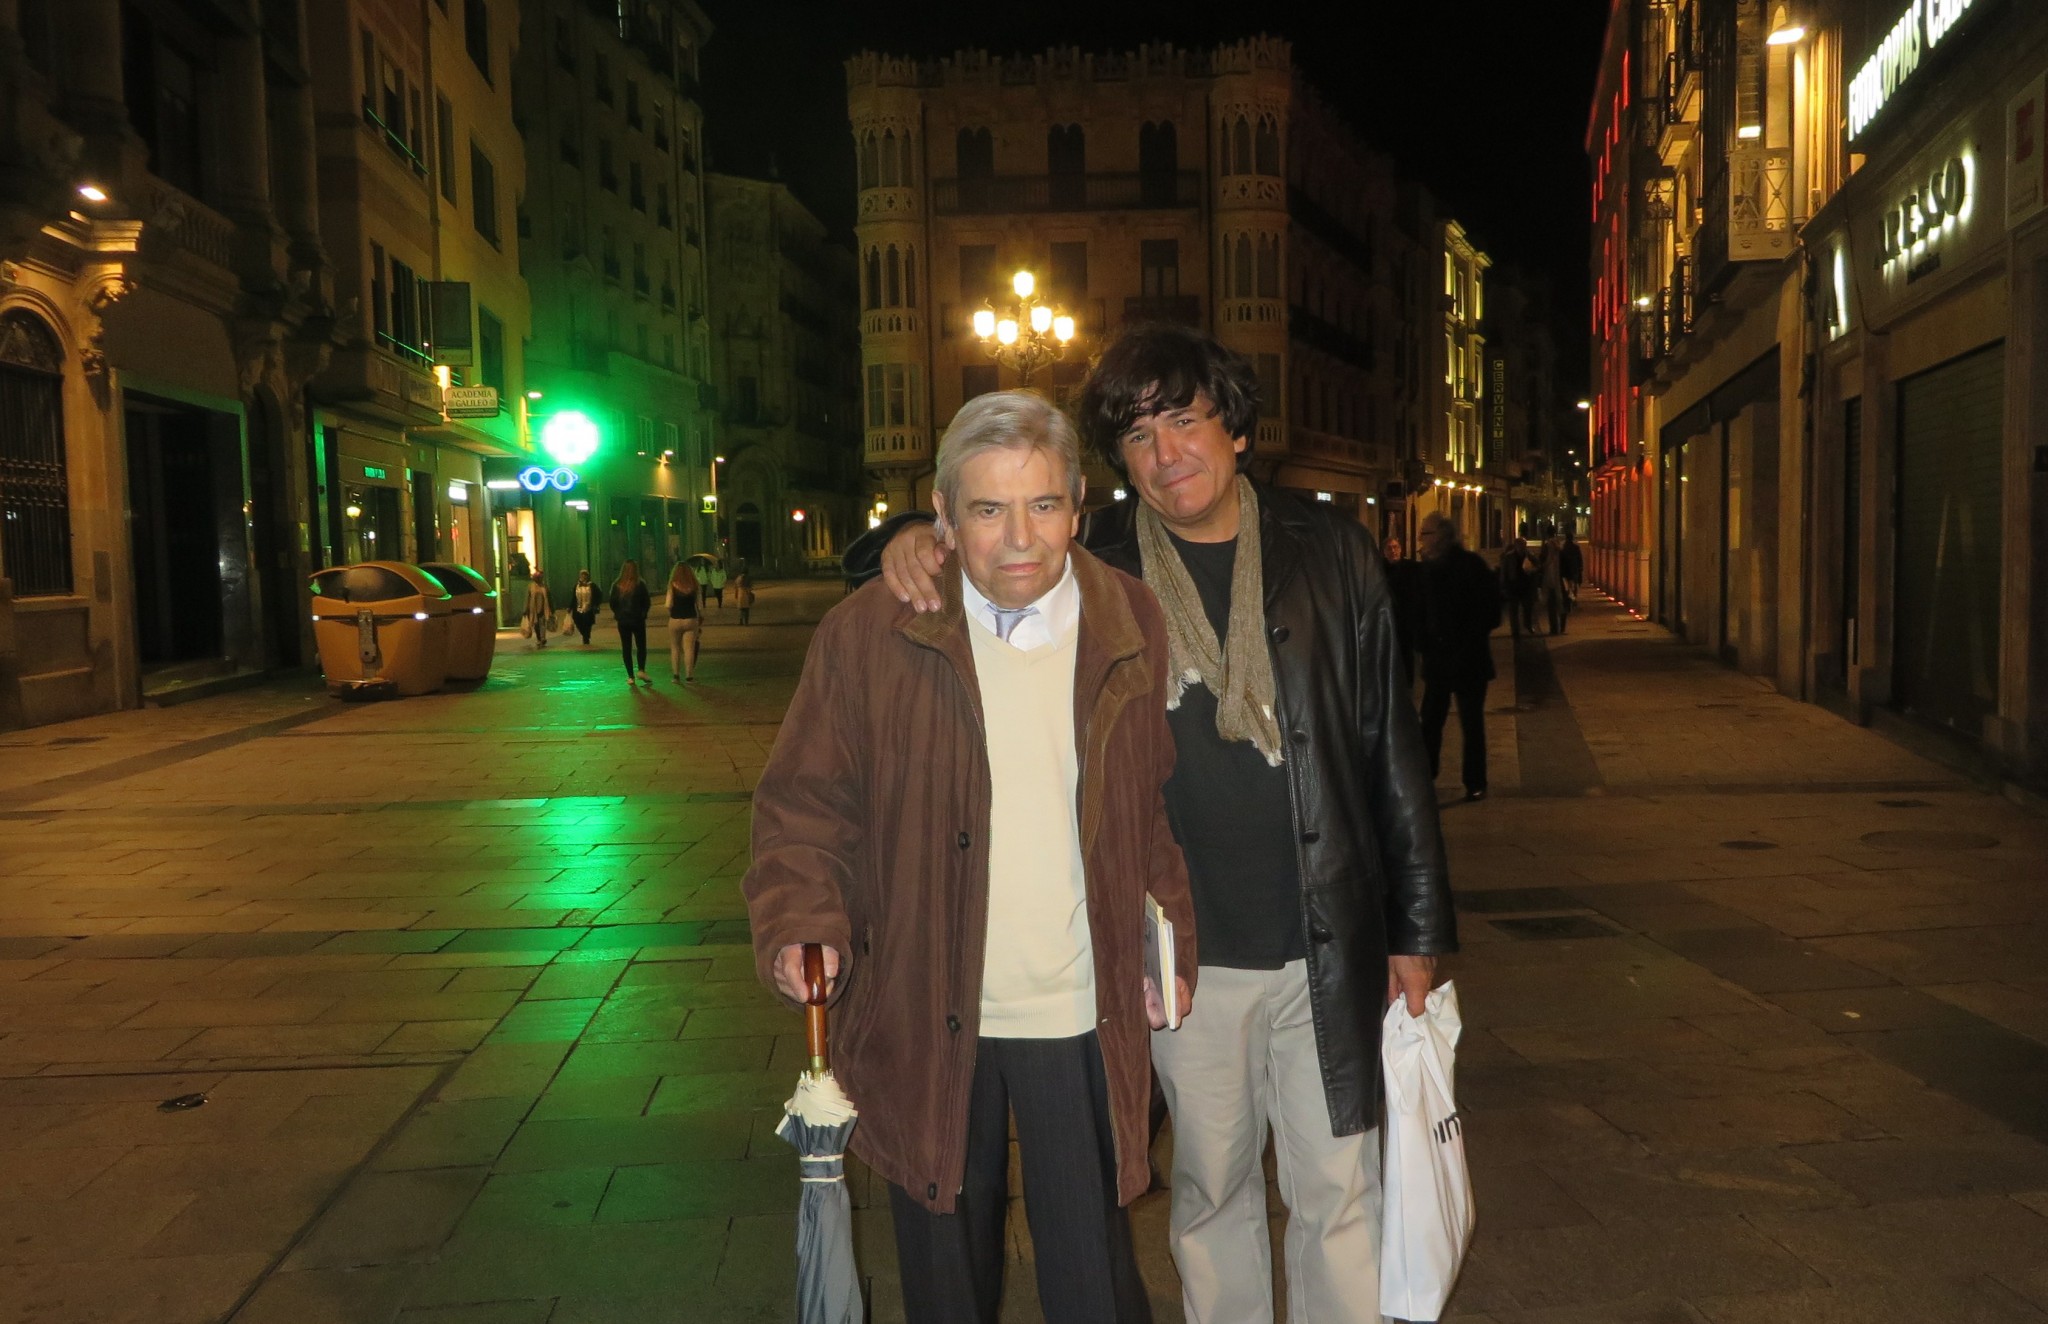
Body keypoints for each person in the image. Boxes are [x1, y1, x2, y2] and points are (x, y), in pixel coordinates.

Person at [850, 324, 1457, 1324]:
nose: (1166, 452)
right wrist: (910, 542)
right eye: (1137, 436)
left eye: (1185, 420)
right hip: (1177, 953)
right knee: (1208, 1194)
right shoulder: (1094, 568)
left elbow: (1392, 753)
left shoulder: (1333, 555)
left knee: (1339, 1192)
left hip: (1327, 941)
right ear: (1116, 465)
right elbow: (981, 551)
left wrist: (1417, 933)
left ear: (1235, 430)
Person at [745, 390, 1197, 1324]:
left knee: (1096, 1281)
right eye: (988, 509)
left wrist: (1169, 940)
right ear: (944, 519)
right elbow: (805, 801)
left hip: (1080, 1007)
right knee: (946, 1282)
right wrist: (801, 923)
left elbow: (1149, 806)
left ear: (1078, 504)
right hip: (927, 1002)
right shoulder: (872, 630)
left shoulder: (1130, 620)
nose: (1019, 537)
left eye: (1042, 505)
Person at [1416, 513, 1502, 802]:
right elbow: (1417, 616)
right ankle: (1429, 776)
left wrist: (1463, 636)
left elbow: (1491, 612)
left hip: (1467, 661)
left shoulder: (1470, 567)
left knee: (1470, 724)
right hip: (1441, 661)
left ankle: (1474, 781)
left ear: (1441, 536)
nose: (1421, 540)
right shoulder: (1425, 571)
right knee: (1431, 722)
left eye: (1425, 534)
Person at [1383, 530, 1423, 686]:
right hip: (1389, 620)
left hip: (1406, 621)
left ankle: (1407, 684)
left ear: (1400, 549)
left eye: (1395, 547)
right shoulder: (1380, 569)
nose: (1393, 551)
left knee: (1406, 655)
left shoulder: (1410, 567)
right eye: (1389, 548)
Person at [608, 559, 651, 686]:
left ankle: (630, 676)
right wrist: (643, 614)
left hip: (623, 621)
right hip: (638, 620)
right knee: (641, 645)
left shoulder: (617, 585)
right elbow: (646, 602)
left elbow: (612, 602)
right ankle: (641, 670)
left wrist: (617, 614)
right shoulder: (640, 584)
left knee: (626, 647)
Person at [665, 561, 702, 682]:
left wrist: (672, 612)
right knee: (689, 649)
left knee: (675, 647)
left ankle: (676, 675)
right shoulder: (695, 585)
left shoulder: (672, 584)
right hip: (691, 619)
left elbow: (668, 604)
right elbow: (699, 605)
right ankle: (689, 676)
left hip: (675, 619)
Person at [1498, 533, 1535, 638]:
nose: (1522, 547)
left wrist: (1532, 570)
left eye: (1524, 545)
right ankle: (1515, 630)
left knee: (1527, 608)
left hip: (1526, 585)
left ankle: (1528, 625)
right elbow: (1504, 572)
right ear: (1516, 546)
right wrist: (1503, 586)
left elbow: (1538, 565)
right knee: (1513, 610)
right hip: (1513, 585)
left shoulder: (1529, 555)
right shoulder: (1509, 557)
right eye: (1521, 545)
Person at [1538, 522, 1568, 636]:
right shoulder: (1560, 547)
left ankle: (1554, 628)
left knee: (1551, 606)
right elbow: (1566, 563)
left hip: (1549, 579)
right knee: (1562, 603)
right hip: (1560, 579)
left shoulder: (1546, 546)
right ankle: (1562, 627)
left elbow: (1541, 560)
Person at [569, 570, 600, 646]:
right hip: (578, 609)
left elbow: (599, 594)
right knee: (578, 622)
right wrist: (569, 607)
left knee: (587, 623)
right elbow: (573, 597)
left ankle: (586, 637)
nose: (584, 576)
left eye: (585, 575)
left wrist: (595, 604)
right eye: (582, 575)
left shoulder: (592, 585)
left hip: (588, 608)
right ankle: (584, 634)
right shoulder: (576, 585)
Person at [523, 570, 552, 650]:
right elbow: (527, 598)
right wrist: (525, 609)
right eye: (538, 578)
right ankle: (539, 638)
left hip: (543, 608)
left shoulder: (544, 586)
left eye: (540, 578)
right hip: (533, 609)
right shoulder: (531, 586)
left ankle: (543, 638)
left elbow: (549, 598)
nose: (539, 579)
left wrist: (552, 609)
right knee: (536, 624)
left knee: (542, 623)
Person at [1561, 527, 1585, 606]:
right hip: (1574, 569)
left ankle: (1568, 598)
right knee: (1574, 585)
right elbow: (1579, 559)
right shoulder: (1575, 548)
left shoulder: (1563, 548)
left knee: (1566, 585)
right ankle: (1573, 598)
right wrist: (1580, 568)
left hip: (1565, 570)